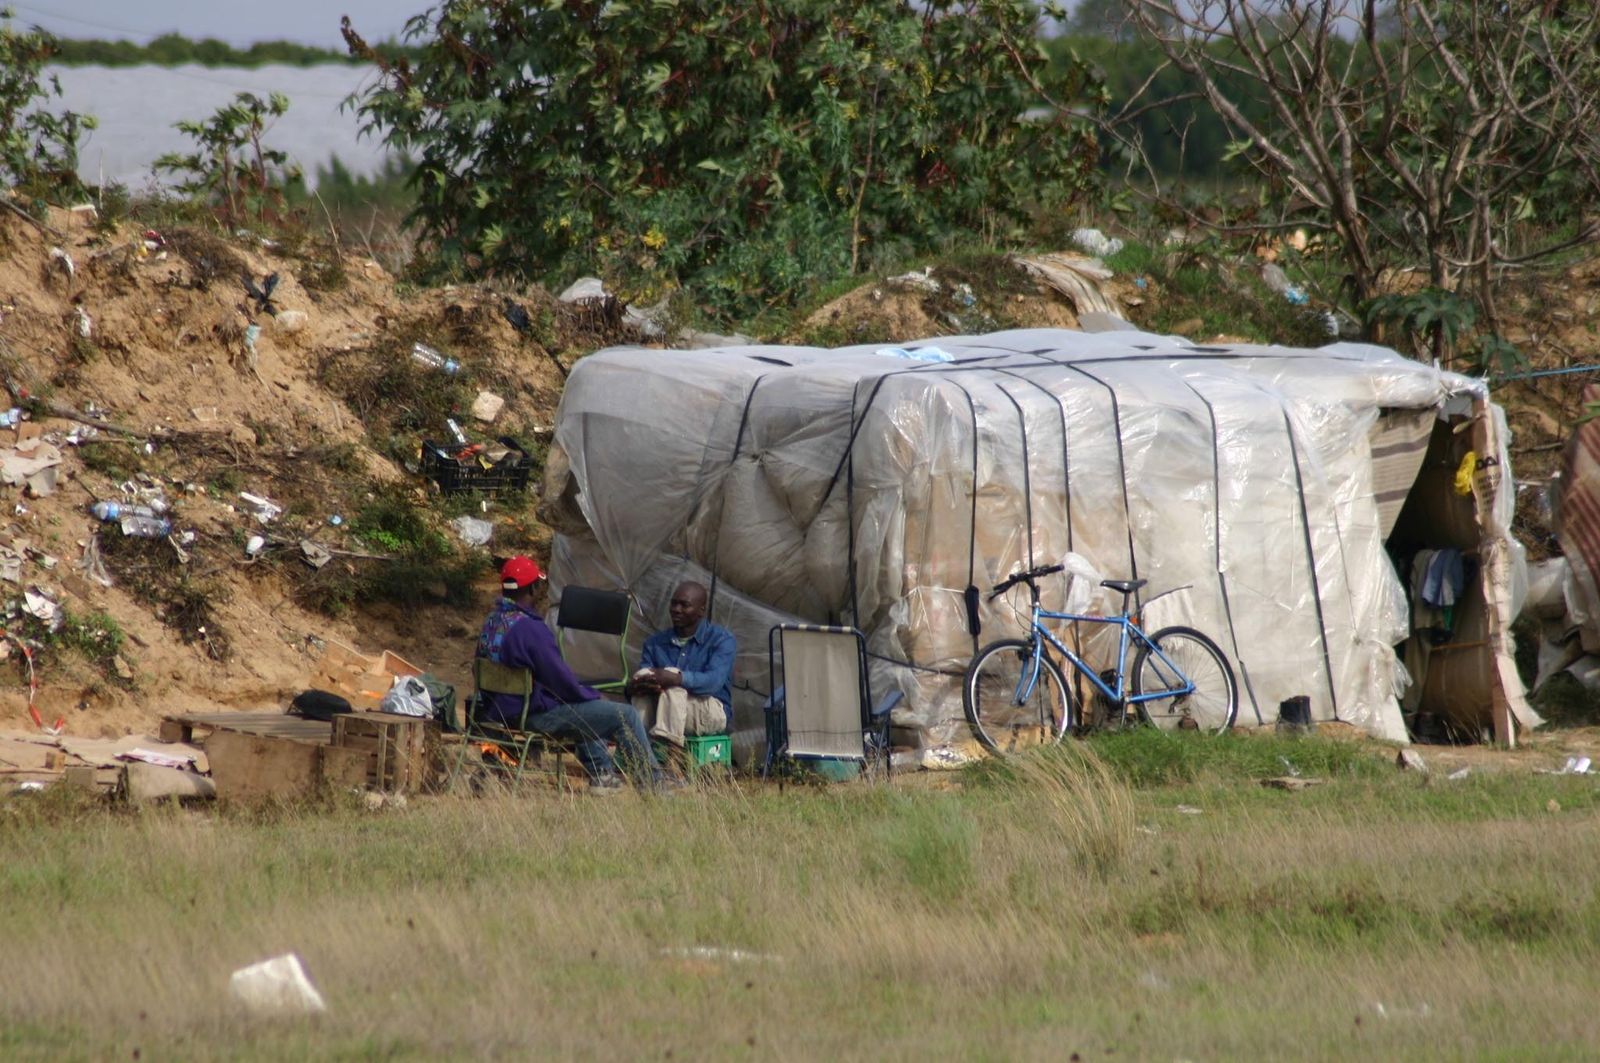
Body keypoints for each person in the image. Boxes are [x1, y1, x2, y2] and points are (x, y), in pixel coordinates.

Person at [476, 556, 667, 793]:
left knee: (585, 707)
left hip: (498, 712)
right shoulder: (531, 629)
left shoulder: (492, 622)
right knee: (623, 714)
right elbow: (562, 682)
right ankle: (652, 783)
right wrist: (589, 694)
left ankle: (602, 774)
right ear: (534, 588)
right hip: (530, 715)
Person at [630, 581, 735, 748]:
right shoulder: (654, 643)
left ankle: (671, 752)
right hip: (665, 711)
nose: (676, 609)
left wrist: (677, 679)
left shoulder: (721, 640)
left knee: (672, 679)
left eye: (684, 605)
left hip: (710, 711)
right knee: (644, 679)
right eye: (674, 603)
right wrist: (638, 685)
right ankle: (637, 749)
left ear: (701, 610)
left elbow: (714, 682)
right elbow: (645, 679)